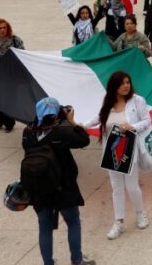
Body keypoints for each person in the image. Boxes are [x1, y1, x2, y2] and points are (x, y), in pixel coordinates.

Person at [22, 97, 95, 265]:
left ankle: (48, 262)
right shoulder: (61, 133)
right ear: (56, 115)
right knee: (73, 221)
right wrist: (71, 121)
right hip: (63, 188)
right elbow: (83, 139)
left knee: (45, 228)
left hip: (39, 189)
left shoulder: (28, 133)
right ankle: (76, 259)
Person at [84, 72, 152, 240]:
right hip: (112, 152)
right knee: (116, 188)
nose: (126, 86)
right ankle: (119, 221)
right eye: (122, 83)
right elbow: (99, 119)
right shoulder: (108, 102)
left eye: (128, 82)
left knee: (132, 186)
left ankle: (140, 213)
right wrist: (81, 125)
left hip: (129, 150)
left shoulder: (137, 101)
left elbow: (147, 121)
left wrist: (132, 126)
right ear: (114, 86)